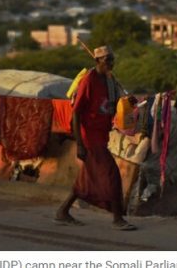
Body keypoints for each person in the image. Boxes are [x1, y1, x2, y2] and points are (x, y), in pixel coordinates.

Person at [55, 45, 137, 231]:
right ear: (98, 60)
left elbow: (113, 104)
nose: (111, 63)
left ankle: (63, 212)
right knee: (112, 175)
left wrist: (128, 101)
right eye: (107, 60)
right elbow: (76, 113)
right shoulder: (88, 80)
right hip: (90, 137)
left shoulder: (109, 80)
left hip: (102, 135)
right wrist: (80, 144)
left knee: (85, 178)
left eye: (112, 60)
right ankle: (118, 218)